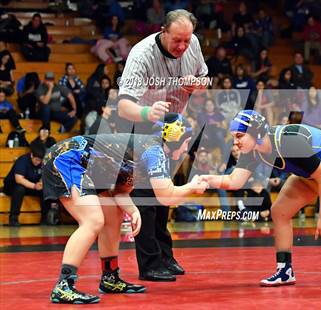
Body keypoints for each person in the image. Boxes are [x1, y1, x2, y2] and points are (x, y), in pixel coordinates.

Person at [201, 110, 321, 288]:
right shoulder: (251, 152)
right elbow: (234, 181)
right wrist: (208, 180)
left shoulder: (289, 141)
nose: (235, 142)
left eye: (239, 136)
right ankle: (284, 270)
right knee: (279, 212)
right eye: (234, 137)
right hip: (312, 173)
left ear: (256, 133)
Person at [43, 113, 208, 304]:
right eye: (186, 142)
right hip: (68, 158)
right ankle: (64, 285)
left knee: (114, 215)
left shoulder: (147, 151)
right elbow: (166, 196)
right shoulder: (154, 150)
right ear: (174, 137)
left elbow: (120, 192)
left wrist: (133, 210)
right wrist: (192, 188)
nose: (187, 147)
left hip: (88, 166)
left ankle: (110, 276)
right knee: (92, 220)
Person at [117, 9, 208, 281]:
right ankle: (150, 263)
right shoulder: (141, 54)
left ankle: (165, 255)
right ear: (163, 31)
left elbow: (204, 77)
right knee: (145, 196)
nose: (182, 46)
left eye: (187, 40)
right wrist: (148, 114)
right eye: (176, 40)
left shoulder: (193, 45)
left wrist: (197, 85)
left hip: (171, 125)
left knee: (163, 196)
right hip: (140, 123)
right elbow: (123, 106)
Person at [3, 141, 46, 226]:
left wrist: (41, 183)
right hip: (12, 186)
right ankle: (13, 218)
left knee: (46, 190)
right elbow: (19, 179)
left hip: (30, 186)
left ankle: (45, 219)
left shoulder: (43, 162)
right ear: (31, 155)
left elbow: (46, 175)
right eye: (36, 159)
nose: (38, 162)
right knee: (19, 189)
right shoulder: (22, 160)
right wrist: (34, 186)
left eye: (40, 160)